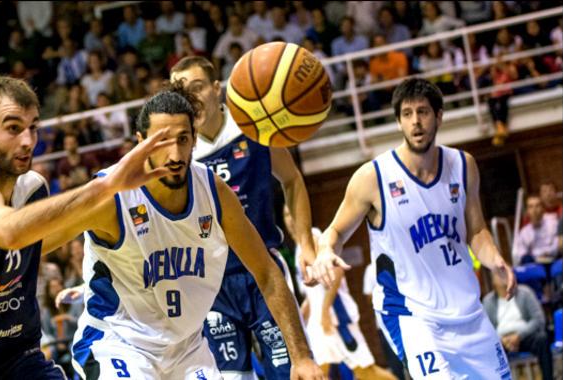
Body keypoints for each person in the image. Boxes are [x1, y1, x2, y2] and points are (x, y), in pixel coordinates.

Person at [0, 75, 176, 379]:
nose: (27, 141)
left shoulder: (30, 189)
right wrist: (106, 186)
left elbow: (47, 237)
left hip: (16, 361)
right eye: (13, 128)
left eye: (33, 128)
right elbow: (11, 233)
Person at [59, 85, 322, 379]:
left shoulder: (213, 192)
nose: (174, 154)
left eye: (183, 140)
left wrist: (303, 357)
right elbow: (37, 243)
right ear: (140, 143)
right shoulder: (112, 195)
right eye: (161, 141)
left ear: (194, 140)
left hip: (187, 349)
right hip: (120, 343)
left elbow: (267, 273)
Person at [309, 78, 517, 379]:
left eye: (423, 112)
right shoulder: (373, 177)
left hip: (467, 313)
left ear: (439, 116)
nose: (416, 121)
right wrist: (326, 251)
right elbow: (336, 232)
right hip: (413, 315)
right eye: (407, 114)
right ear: (398, 122)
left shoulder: (463, 165)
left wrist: (496, 259)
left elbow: (476, 231)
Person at [170, 56, 318, 380]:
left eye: (197, 87)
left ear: (216, 89)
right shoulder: (177, 152)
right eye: (181, 91)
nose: (191, 97)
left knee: (293, 371)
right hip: (210, 283)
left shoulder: (253, 129)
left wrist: (306, 244)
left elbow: (292, 181)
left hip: (262, 272)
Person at [292, 225, 395, 380]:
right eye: (285, 215)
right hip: (318, 321)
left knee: (366, 372)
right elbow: (312, 292)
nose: (289, 220)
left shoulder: (313, 236)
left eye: (291, 214)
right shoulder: (298, 249)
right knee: (319, 371)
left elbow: (337, 271)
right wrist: (304, 312)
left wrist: (325, 311)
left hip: (337, 318)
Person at [483, 271, 552, 380]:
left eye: (505, 273)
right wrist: (501, 340)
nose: (503, 276)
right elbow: (486, 330)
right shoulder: (488, 301)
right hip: (502, 342)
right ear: (493, 281)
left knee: (542, 338)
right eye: (499, 274)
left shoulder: (525, 293)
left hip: (525, 337)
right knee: (486, 349)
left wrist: (519, 336)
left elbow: (538, 320)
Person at [512, 195, 560, 264]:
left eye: (537, 206)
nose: (534, 210)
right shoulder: (524, 232)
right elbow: (521, 253)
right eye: (531, 207)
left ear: (543, 208)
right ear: (527, 211)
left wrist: (547, 253)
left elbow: (558, 245)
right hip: (535, 264)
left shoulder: (553, 223)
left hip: (554, 260)